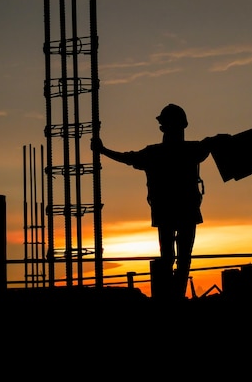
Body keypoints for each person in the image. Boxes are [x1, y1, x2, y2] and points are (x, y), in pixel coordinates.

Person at [91, 103, 228, 299]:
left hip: (168, 211)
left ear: (163, 127)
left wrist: (103, 150)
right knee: (181, 260)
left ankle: (171, 297)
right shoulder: (189, 150)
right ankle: (174, 296)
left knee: (170, 258)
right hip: (183, 211)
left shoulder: (156, 153)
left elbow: (128, 158)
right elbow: (210, 143)